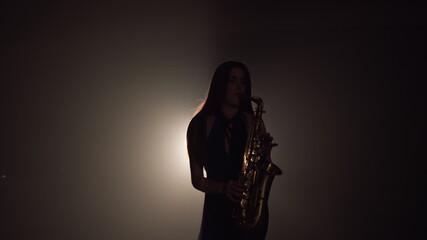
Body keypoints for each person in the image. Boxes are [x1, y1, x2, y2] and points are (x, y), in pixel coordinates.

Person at [187, 61, 277, 240]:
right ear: (221, 84)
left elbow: (261, 172)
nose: (239, 87)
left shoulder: (254, 123)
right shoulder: (199, 124)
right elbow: (197, 180)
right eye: (232, 80)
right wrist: (223, 188)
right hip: (216, 218)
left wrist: (266, 154)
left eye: (243, 82)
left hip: (250, 217)